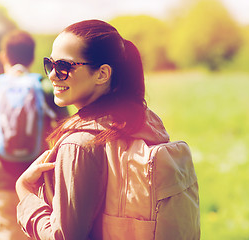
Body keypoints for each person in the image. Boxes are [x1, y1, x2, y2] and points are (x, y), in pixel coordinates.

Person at [15, 19, 191, 239]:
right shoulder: (144, 123)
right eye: (50, 64)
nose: (51, 75)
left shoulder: (78, 145)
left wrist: (24, 191)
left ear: (102, 74)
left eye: (63, 67)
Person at [0, 29, 69, 240]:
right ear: (33, 57)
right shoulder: (47, 88)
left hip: (4, 185)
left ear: (3, 56)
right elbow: (68, 132)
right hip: (42, 187)